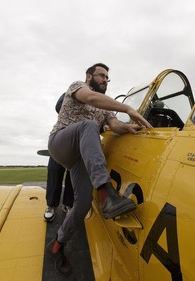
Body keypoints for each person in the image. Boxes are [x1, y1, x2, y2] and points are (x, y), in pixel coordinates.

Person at [46, 63, 152, 276]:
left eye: (107, 77)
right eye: (101, 75)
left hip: (78, 159)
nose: (105, 80)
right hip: (60, 142)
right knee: (89, 125)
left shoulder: (106, 108)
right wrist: (129, 108)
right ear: (89, 76)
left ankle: (57, 245)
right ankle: (107, 195)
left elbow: (115, 125)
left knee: (83, 205)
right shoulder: (77, 86)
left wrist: (130, 128)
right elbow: (92, 98)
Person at [44, 93, 75, 222]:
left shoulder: (94, 103)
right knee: (54, 172)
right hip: (60, 141)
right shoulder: (73, 91)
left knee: (72, 176)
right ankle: (51, 205)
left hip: (76, 145)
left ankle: (67, 204)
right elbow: (58, 106)